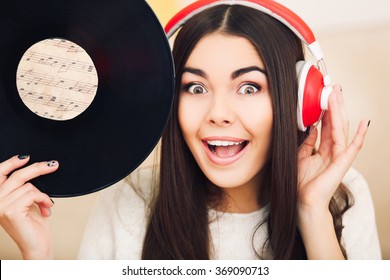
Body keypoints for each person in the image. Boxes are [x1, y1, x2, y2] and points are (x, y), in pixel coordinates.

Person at [0, 0, 381, 260]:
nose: (218, 114)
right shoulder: (130, 201)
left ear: (300, 100)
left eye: (249, 87)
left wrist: (311, 211)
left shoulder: (342, 196)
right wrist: (37, 258)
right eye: (195, 88)